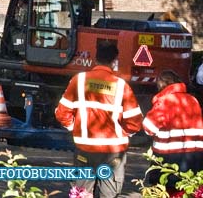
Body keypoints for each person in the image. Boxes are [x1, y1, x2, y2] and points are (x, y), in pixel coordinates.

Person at [55, 43, 143, 198]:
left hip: (84, 149)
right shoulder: (122, 86)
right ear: (114, 61)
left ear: (96, 59)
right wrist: (123, 134)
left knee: (81, 193)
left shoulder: (79, 80)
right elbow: (134, 122)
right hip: (113, 152)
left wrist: (74, 128)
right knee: (109, 194)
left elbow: (62, 113)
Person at [143, 70, 203, 191]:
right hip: (195, 157)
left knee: (165, 190)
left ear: (162, 85)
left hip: (168, 157)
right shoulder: (193, 100)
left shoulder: (165, 101)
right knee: (188, 190)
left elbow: (148, 128)